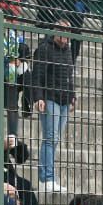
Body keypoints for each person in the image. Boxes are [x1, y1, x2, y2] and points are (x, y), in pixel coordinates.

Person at [27, 25, 76, 195]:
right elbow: (37, 76)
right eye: (61, 34)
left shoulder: (68, 51)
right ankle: (47, 178)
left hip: (64, 100)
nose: (64, 39)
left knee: (54, 139)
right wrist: (38, 97)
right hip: (49, 97)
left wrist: (72, 96)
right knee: (50, 138)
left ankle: (50, 177)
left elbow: (70, 76)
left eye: (66, 35)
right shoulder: (44, 49)